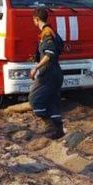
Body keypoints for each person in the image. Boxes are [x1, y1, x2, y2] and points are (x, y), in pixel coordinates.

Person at [29, 7, 65, 139]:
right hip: (56, 72)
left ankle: (48, 125)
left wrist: (36, 68)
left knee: (35, 100)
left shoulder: (46, 33)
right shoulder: (53, 31)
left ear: (36, 19)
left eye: (33, 20)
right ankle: (58, 130)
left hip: (49, 73)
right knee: (52, 101)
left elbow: (49, 54)